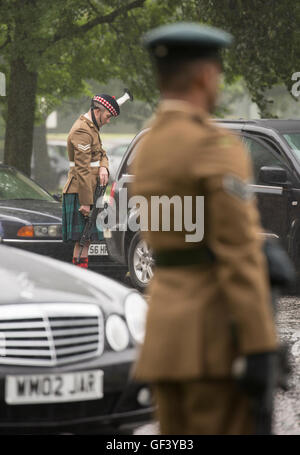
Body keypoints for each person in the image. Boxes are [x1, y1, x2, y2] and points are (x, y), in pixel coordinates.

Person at [130, 23, 278, 434]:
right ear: (203, 76)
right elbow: (239, 253)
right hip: (210, 338)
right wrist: (260, 344)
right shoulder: (214, 146)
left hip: (164, 331)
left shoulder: (149, 147)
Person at [62, 90, 132, 268]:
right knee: (82, 239)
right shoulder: (82, 130)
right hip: (81, 190)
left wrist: (103, 166)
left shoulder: (92, 128)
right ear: (97, 111)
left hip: (91, 189)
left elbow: (102, 153)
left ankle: (83, 277)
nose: (109, 121)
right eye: (108, 116)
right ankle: (79, 280)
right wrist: (86, 202)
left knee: (87, 241)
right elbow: (83, 169)